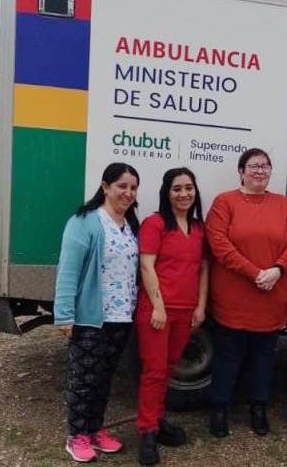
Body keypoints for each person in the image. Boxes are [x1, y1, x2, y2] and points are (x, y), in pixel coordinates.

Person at [205, 148, 287, 437]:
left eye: (265, 166)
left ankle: (258, 407)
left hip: (272, 293)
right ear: (241, 171)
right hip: (235, 295)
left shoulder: (283, 204)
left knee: (264, 356)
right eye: (253, 166)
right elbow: (218, 244)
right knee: (227, 355)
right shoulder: (225, 202)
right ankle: (219, 408)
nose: (260, 171)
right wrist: (255, 272)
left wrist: (278, 268)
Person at [54, 162, 141, 463]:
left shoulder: (130, 225)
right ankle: (76, 435)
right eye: (122, 186)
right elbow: (68, 271)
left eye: (132, 187)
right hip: (91, 317)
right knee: (84, 378)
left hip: (121, 317)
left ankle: (95, 430)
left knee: (104, 378)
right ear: (105, 187)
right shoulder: (85, 222)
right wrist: (64, 315)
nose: (128, 193)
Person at [136, 168, 209, 465]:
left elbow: (204, 269)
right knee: (154, 371)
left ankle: (157, 418)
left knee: (168, 369)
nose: (184, 194)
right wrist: (158, 306)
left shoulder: (198, 228)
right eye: (177, 188)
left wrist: (201, 306)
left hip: (185, 311)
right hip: (157, 312)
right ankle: (147, 432)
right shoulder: (155, 224)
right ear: (167, 192)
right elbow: (146, 266)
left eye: (189, 188)